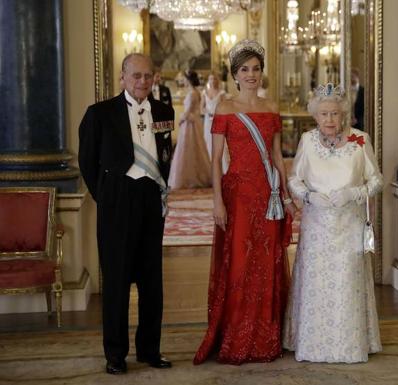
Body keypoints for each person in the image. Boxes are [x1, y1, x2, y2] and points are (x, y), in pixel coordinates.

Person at [193, 39, 296, 365]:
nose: (251, 75)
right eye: (244, 70)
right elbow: (215, 160)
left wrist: (286, 193)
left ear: (262, 73)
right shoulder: (225, 108)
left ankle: (265, 338)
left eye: (256, 69)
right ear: (235, 74)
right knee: (239, 263)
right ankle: (237, 335)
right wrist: (217, 202)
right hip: (237, 195)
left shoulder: (272, 107)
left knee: (267, 263)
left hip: (267, 196)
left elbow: (278, 155)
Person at [78, 53, 174, 375]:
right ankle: (116, 355)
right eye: (136, 76)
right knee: (117, 282)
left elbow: (164, 155)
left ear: (154, 78)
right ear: (123, 77)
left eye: (148, 76)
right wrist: (105, 197)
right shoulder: (99, 114)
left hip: (150, 201)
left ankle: (150, 349)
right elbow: (87, 162)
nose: (142, 82)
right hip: (116, 201)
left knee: (152, 282)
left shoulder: (164, 111)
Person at [283, 83, 383, 363]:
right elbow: (294, 180)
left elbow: (376, 181)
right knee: (317, 285)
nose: (330, 120)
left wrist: (354, 193)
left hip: (349, 224)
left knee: (346, 284)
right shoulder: (307, 141)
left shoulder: (360, 140)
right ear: (315, 116)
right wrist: (309, 196)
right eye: (324, 114)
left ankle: (348, 346)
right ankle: (313, 345)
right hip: (316, 226)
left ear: (344, 115)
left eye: (335, 114)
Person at [167, 70, 211, 189]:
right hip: (193, 122)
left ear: (188, 80)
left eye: (185, 79)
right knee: (194, 148)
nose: (183, 81)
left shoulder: (192, 93)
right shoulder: (196, 92)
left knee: (188, 148)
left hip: (189, 123)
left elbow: (189, 111)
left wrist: (181, 119)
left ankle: (189, 177)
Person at [201, 71, 228, 170]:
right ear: (208, 80)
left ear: (217, 80)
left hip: (219, 121)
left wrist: (217, 114)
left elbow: (225, 107)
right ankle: (209, 170)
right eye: (211, 79)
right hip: (208, 121)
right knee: (208, 142)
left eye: (214, 79)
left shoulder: (221, 93)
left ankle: (223, 170)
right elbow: (201, 108)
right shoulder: (204, 93)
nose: (212, 81)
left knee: (220, 144)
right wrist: (207, 113)